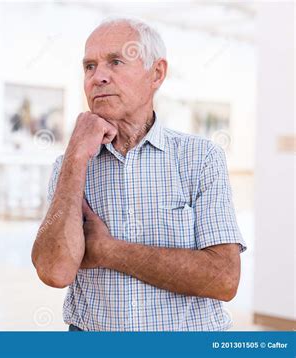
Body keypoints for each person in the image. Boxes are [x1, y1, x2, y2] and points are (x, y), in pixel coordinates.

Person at [31, 18, 246, 331]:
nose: (98, 77)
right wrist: (76, 157)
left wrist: (109, 251)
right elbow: (54, 271)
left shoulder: (200, 158)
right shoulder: (69, 166)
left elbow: (224, 279)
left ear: (156, 73)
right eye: (89, 66)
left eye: (115, 62)